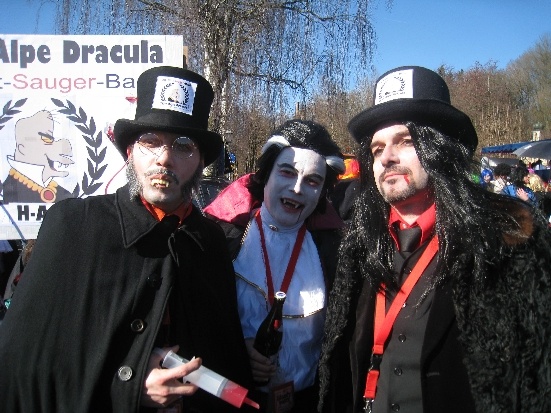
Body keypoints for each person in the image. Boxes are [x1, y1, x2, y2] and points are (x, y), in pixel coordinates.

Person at [0, 66, 253, 413]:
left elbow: (222, 355)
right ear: (130, 152)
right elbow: (24, 363)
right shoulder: (73, 225)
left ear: (199, 163)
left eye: (183, 146)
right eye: (150, 141)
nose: (164, 159)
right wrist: (128, 387)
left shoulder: (209, 241)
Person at [318, 66, 551, 413]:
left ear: (440, 147)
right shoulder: (358, 246)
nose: (387, 157)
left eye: (405, 141)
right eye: (377, 148)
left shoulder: (508, 240)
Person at [204, 119, 345, 412]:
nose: (297, 188)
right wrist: (236, 347)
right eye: (287, 172)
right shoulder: (222, 237)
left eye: (312, 181)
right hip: (234, 399)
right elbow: (200, 321)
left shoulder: (335, 249)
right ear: (266, 174)